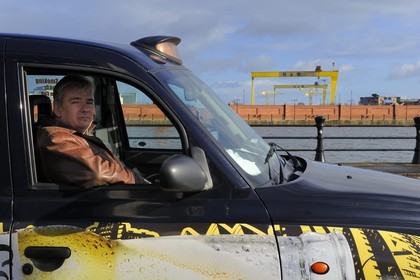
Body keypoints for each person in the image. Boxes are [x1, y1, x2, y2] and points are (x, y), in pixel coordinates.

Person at [37, 74, 149, 188]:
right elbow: (97, 173)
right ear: (57, 109)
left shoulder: (78, 135)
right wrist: (136, 179)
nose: (85, 109)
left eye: (89, 102)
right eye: (76, 102)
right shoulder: (57, 138)